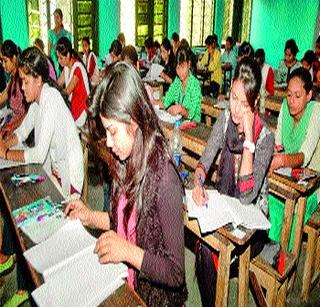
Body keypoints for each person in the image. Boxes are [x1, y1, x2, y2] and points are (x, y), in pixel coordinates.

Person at [65, 61, 187, 307]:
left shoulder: (165, 179)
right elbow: (123, 223)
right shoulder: (125, 160)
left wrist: (127, 251)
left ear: (133, 121)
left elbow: (176, 274)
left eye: (112, 131)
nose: (109, 143)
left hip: (153, 299)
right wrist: (88, 216)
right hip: (126, 280)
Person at [0, 46, 84, 306]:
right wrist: (6, 143)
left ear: (38, 79)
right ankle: (28, 280)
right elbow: (24, 130)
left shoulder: (50, 99)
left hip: (67, 178)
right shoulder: (38, 100)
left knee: (32, 219)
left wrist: (6, 153)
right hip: (53, 171)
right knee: (19, 208)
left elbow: (36, 154)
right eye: (21, 81)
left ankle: (43, 284)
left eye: (25, 81)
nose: (22, 87)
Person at [192, 57, 274, 307]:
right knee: (204, 245)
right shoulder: (225, 119)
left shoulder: (265, 138)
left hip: (252, 225)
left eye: (244, 102)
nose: (236, 109)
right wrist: (197, 183)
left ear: (255, 102)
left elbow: (248, 196)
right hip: (225, 205)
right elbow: (204, 162)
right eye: (233, 98)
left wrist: (249, 138)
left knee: (211, 248)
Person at [268, 67, 320, 251]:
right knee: (272, 204)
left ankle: (284, 264)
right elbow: (278, 144)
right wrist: (276, 155)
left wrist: (281, 160)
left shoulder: (316, 112)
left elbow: (304, 156)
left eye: (298, 96)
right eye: (289, 95)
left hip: (312, 185)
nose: (291, 101)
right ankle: (270, 259)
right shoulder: (284, 106)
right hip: (288, 176)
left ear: (309, 95)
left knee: (295, 215)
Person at [154, 45, 202, 122]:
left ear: (189, 64)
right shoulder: (177, 81)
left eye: (183, 67)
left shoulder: (195, 85)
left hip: (194, 128)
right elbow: (166, 101)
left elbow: (192, 114)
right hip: (179, 124)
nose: (180, 72)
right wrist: (153, 102)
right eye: (178, 68)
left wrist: (181, 109)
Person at [56, 36, 90, 128]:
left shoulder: (77, 68)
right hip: (74, 108)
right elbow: (58, 83)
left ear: (68, 55)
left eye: (60, 57)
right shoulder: (66, 68)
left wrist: (55, 93)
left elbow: (67, 91)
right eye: (57, 57)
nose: (58, 61)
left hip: (82, 110)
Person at [0, 40, 26, 137]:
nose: (3, 65)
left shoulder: (23, 78)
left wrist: (12, 126)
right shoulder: (12, 78)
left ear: (14, 58)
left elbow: (28, 112)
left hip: (22, 125)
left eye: (5, 61)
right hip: (14, 122)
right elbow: (3, 97)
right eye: (2, 61)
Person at [48, 8, 72, 78]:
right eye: (54, 17)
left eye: (57, 17)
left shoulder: (66, 34)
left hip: (63, 62)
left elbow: (69, 52)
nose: (56, 20)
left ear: (61, 19)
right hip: (53, 61)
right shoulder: (51, 33)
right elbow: (49, 51)